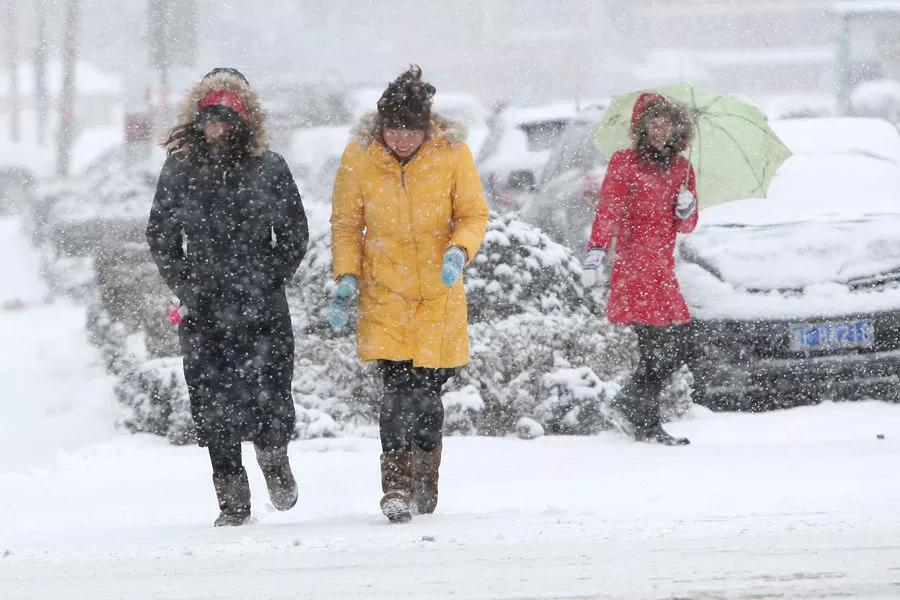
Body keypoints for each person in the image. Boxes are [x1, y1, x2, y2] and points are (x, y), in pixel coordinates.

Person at [146, 67, 309, 526]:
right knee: (211, 401)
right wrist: (187, 284)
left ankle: (274, 459)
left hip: (263, 308)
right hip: (205, 309)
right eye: (207, 119)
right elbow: (161, 233)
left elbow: (294, 232)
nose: (214, 129)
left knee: (271, 393)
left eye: (223, 119)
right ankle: (232, 500)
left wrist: (269, 277)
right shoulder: (179, 169)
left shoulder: (270, 167)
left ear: (243, 121)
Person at [329, 65, 489, 523]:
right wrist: (346, 278)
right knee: (397, 391)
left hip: (438, 294)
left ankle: (425, 474)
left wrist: (460, 251)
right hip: (385, 294)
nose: (401, 139)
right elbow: (345, 224)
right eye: (394, 129)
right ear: (381, 126)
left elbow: (474, 214)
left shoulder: (452, 154)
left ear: (426, 126)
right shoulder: (358, 157)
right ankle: (396, 486)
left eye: (411, 130)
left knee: (427, 394)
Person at [583, 93, 698, 446]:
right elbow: (608, 210)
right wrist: (596, 252)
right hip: (635, 267)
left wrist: (686, 206)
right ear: (642, 128)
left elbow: (689, 225)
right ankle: (646, 423)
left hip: (663, 270)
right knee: (655, 349)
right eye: (654, 124)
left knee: (676, 349)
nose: (660, 131)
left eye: (666, 124)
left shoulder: (682, 169)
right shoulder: (625, 163)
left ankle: (629, 404)